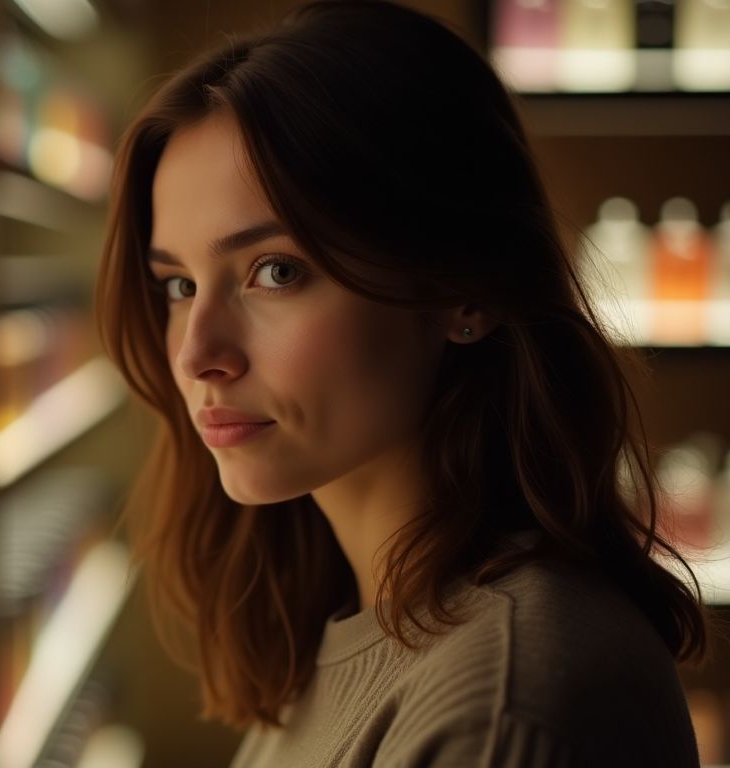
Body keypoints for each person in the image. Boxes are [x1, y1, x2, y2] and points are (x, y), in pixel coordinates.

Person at [95, 1, 711, 765]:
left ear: (465, 292)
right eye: (179, 285)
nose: (197, 354)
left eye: (276, 272)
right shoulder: (355, 619)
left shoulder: (502, 708)